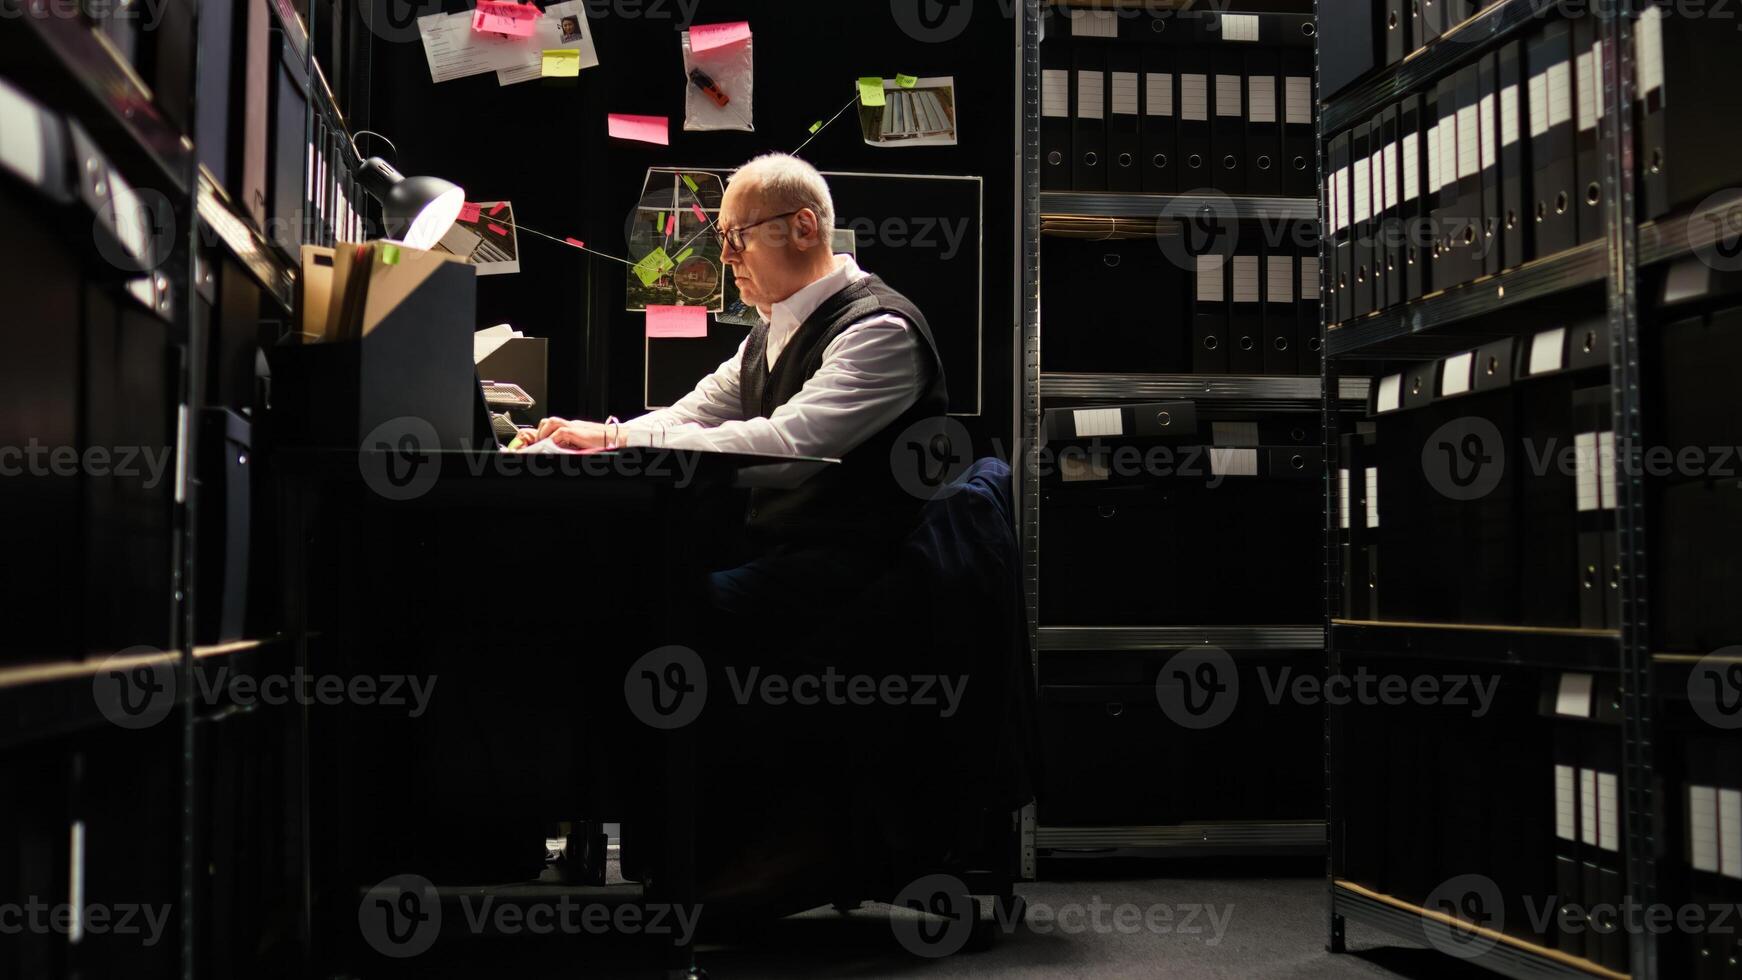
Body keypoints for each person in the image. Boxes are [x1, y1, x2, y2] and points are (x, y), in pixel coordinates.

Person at [518, 153, 948, 632]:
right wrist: (595, 435)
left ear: (803, 228)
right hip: (783, 556)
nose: (725, 256)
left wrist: (615, 444)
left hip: (860, 579)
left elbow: (785, 450)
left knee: (646, 611)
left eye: (737, 236)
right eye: (724, 238)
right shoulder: (772, 327)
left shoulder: (880, 331)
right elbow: (692, 415)